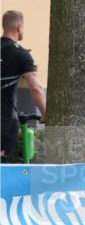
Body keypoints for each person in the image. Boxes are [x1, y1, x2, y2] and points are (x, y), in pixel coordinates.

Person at [1, 11, 46, 162]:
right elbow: (36, 88)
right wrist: (46, 113)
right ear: (19, 27)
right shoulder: (20, 54)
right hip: (4, 121)